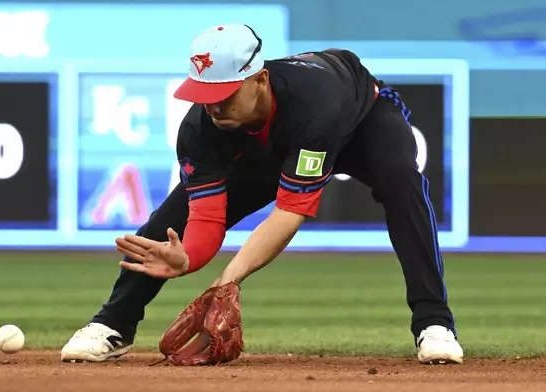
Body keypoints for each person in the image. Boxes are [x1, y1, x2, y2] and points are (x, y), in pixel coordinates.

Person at [60, 23, 464, 365]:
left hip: (361, 120)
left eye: (225, 94)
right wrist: (187, 258)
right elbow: (206, 218)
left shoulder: (315, 101)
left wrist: (227, 281)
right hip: (263, 147)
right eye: (205, 95)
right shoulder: (201, 129)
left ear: (260, 79)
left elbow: (289, 214)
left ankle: (434, 323)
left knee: (402, 181)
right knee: (164, 224)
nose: (214, 108)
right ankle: (113, 324)